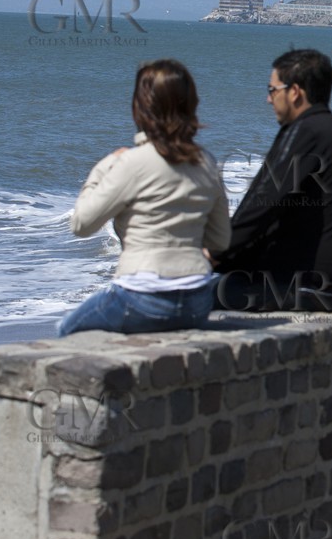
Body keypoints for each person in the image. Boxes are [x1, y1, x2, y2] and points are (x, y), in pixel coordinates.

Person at [60, 59, 230, 335]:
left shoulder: (132, 163)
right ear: (191, 105)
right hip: (197, 300)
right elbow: (220, 240)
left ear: (140, 107)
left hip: (142, 298)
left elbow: (81, 224)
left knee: (67, 331)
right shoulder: (207, 162)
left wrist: (104, 166)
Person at [215, 49, 332, 312]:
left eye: (272, 89)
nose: (268, 99)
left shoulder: (305, 131)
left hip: (306, 287)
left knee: (186, 296)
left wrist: (212, 255)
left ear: (295, 92)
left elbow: (260, 205)